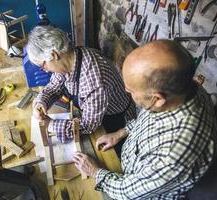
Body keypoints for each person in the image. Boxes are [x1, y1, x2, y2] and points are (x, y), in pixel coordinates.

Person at [73, 40, 217, 199]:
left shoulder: (173, 152)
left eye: (130, 91)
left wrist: (95, 172)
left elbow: (128, 192)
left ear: (158, 98)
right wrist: (120, 133)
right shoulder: (183, 89)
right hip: (131, 166)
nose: (126, 92)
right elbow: (149, 116)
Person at [27, 25, 136, 153]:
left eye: (42, 65)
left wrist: (51, 125)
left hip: (116, 121)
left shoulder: (94, 79)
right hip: (97, 112)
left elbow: (88, 125)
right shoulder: (71, 58)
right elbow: (55, 85)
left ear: (54, 54)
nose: (44, 70)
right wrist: (42, 101)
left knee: (111, 157)